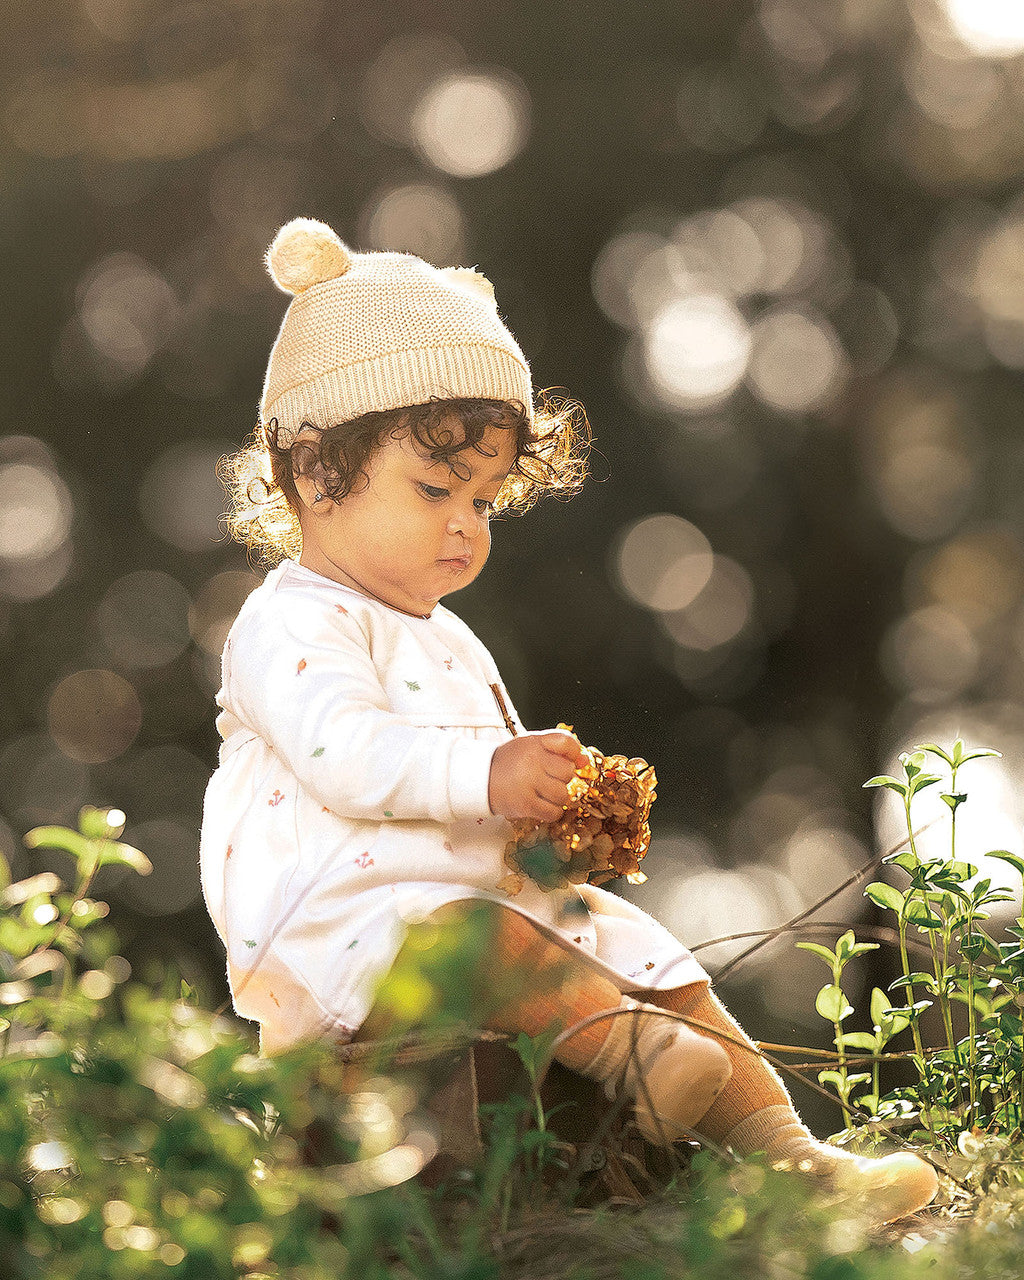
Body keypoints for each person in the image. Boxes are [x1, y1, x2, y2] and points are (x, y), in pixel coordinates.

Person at [198, 216, 939, 1223]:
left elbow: (466, 801)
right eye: (435, 489)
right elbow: (344, 757)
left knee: (635, 943)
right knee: (474, 937)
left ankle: (794, 1159)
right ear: (314, 472)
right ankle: (635, 1059)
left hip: (460, 914)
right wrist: (491, 776)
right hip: (344, 938)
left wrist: (543, 825)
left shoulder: (444, 635)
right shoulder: (288, 619)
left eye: (487, 501)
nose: (465, 524)